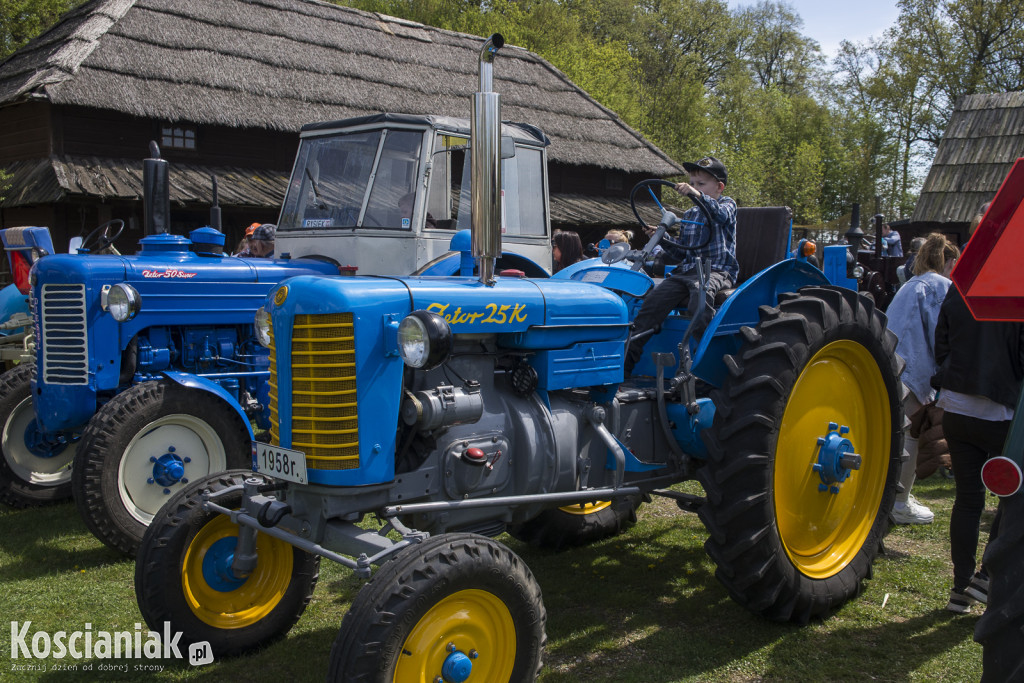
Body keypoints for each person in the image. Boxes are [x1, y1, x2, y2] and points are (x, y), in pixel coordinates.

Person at [935, 281, 1024, 613]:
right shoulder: (1016, 285)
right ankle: (985, 577)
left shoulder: (962, 285)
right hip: (1001, 410)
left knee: (968, 500)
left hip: (958, 405)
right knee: (1011, 499)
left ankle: (960, 589)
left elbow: (940, 340)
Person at [624, 156, 737, 375]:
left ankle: (706, 366)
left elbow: (720, 216)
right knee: (651, 303)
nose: (694, 188)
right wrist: (663, 237)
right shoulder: (690, 215)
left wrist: (698, 196)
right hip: (687, 271)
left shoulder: (727, 205)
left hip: (716, 270)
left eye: (701, 184)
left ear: (720, 187)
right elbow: (681, 252)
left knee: (699, 299)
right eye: (693, 184)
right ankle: (624, 369)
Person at [885, 233, 960, 525]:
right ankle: (899, 502)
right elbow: (941, 333)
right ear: (949, 261)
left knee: (898, 432)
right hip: (916, 369)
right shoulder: (941, 286)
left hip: (893, 361)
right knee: (911, 434)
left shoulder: (910, 285)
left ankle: (896, 496)